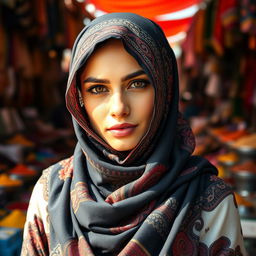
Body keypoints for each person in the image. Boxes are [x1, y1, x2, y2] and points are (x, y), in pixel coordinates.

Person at [21, 12, 246, 255]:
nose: (119, 108)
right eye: (98, 89)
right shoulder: (50, 192)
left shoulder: (209, 200)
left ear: (164, 90)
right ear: (79, 99)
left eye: (137, 84)